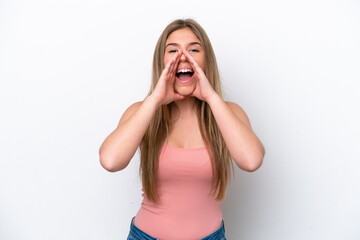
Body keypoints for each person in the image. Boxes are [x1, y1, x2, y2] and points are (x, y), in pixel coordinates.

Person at [99, 18, 265, 240]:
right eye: (173, 50)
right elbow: (110, 161)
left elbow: (252, 161)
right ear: (162, 61)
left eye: (194, 49)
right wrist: (156, 99)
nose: (183, 56)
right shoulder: (142, 112)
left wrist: (211, 97)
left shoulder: (228, 113)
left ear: (207, 61)